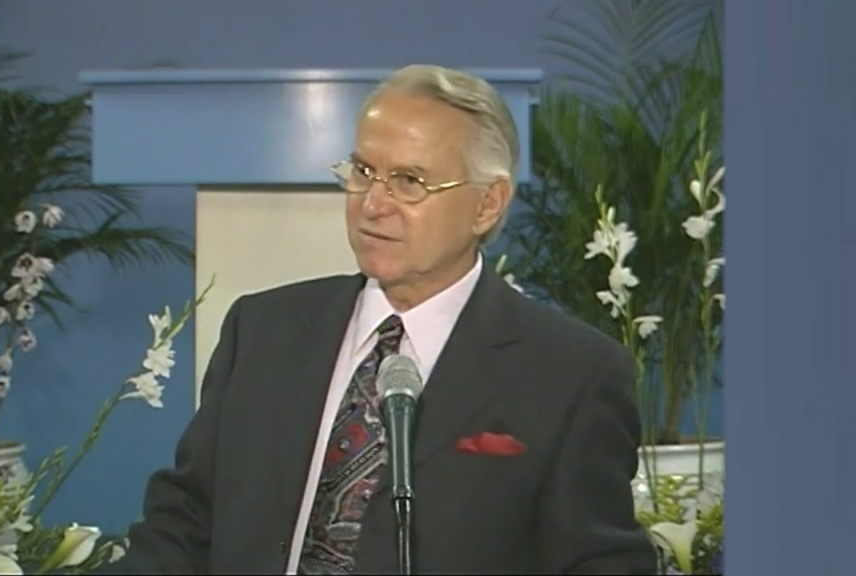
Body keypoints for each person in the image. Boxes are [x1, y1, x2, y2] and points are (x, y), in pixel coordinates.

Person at [109, 64, 657, 575]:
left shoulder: (570, 375)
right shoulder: (261, 330)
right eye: (364, 171)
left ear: (487, 204)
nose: (372, 204)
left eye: (409, 181)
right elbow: (184, 521)